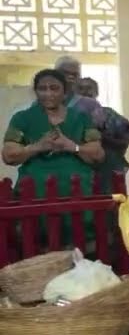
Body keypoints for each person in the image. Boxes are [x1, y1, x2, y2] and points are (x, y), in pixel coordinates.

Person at [3, 69, 105, 244]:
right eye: (42, 88)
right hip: (35, 190)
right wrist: (38, 146)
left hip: (78, 189)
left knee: (82, 242)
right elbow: (9, 155)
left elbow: (98, 154)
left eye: (54, 88)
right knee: (34, 240)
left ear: (64, 92)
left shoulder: (81, 117)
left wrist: (72, 146)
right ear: (35, 92)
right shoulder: (22, 118)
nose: (48, 93)